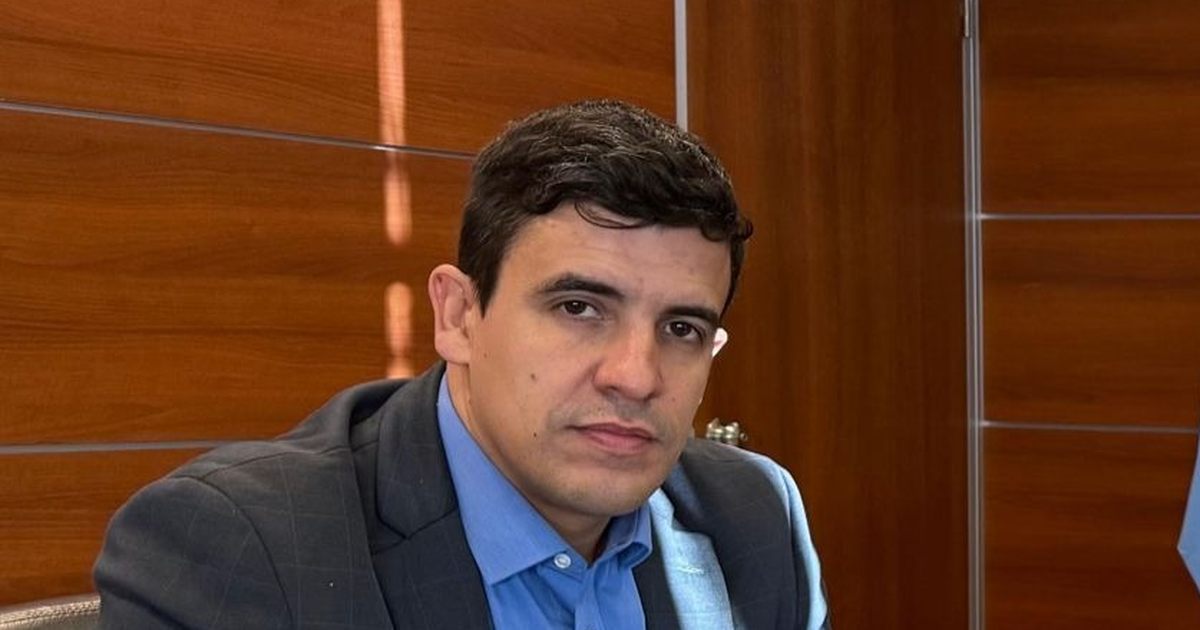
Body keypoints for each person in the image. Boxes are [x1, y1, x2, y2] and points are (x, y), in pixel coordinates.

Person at [94, 100, 829, 630]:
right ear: (458, 317)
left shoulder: (752, 514)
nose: (636, 376)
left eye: (682, 328)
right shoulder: (241, 545)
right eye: (579, 307)